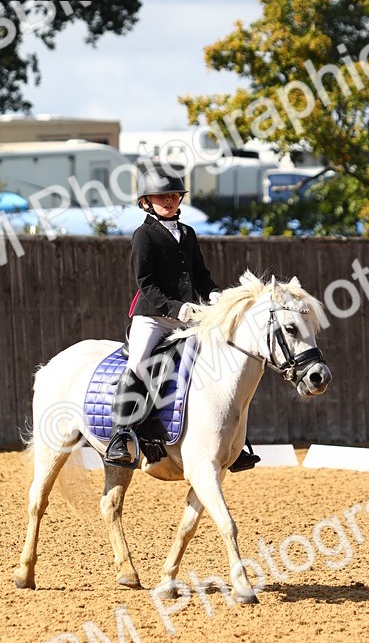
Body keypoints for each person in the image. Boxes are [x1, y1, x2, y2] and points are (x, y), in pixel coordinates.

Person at [104, 163, 259, 471]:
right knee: (138, 363)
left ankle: (233, 441)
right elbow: (145, 283)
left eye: (174, 195)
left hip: (188, 317)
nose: (170, 201)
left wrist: (214, 293)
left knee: (218, 361)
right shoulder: (143, 236)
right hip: (151, 317)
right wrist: (176, 308)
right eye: (162, 197)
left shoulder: (187, 233)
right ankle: (120, 435)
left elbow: (200, 274)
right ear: (147, 202)